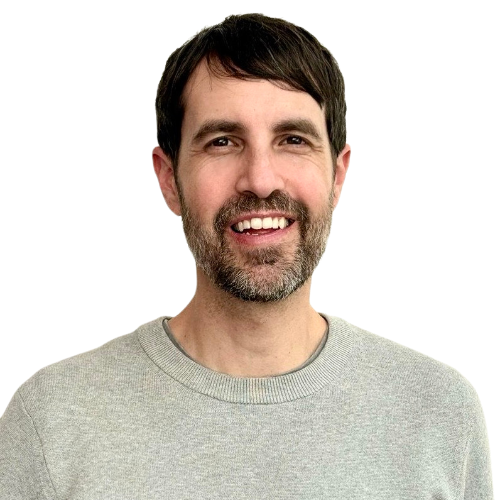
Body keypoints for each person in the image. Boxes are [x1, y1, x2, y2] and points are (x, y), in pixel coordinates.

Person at [0, 13, 493, 499]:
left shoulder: (439, 413)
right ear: (169, 179)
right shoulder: (53, 421)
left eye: (293, 140)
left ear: (337, 176)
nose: (260, 179)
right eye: (222, 141)